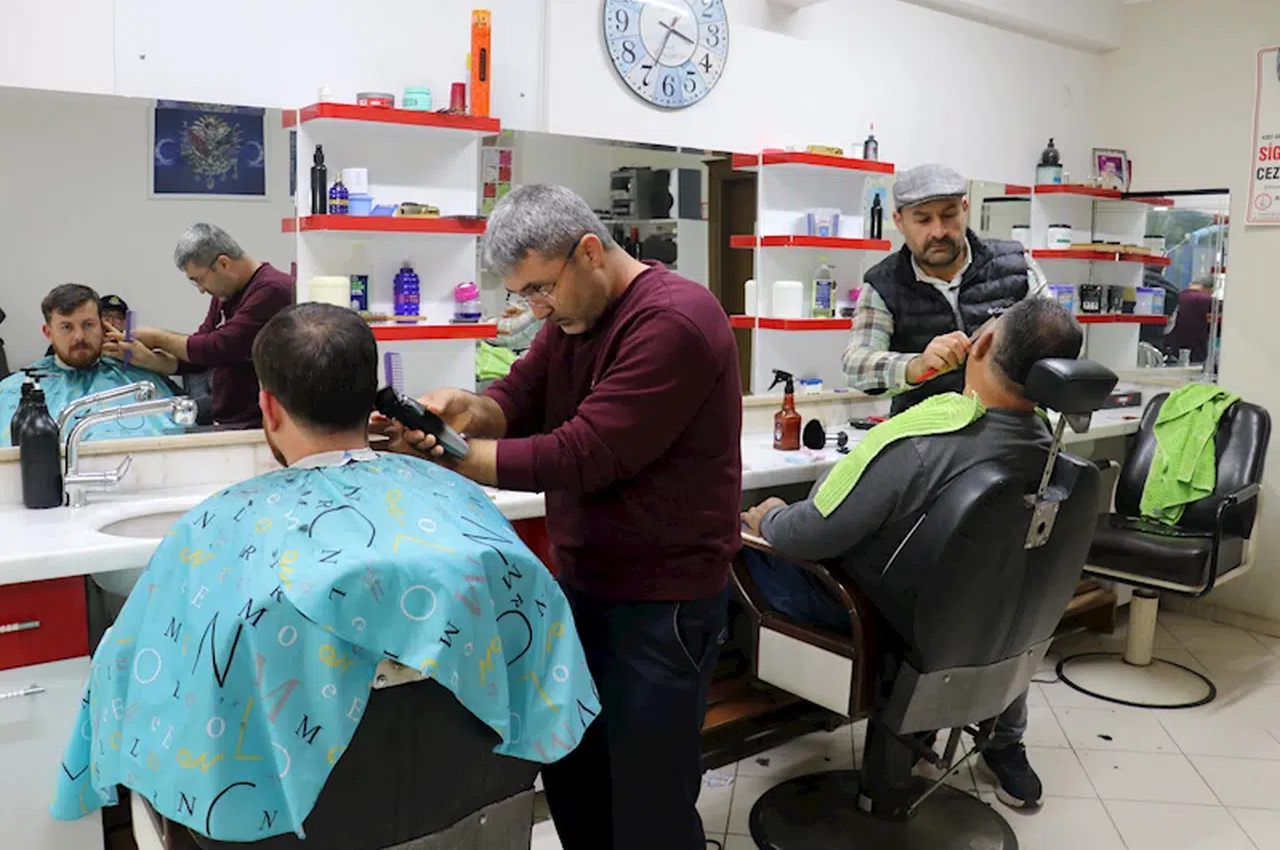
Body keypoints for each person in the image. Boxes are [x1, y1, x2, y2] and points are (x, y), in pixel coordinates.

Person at [51, 303, 596, 842]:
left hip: (284, 827)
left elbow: (134, 673)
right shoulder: (456, 499)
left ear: (268, 408)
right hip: (466, 800)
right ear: (372, 397)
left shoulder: (212, 528)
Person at [382, 184, 743, 850]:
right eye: (523, 296)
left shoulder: (675, 320)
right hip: (582, 587)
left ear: (589, 252)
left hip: (662, 604)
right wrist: (463, 411)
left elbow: (585, 453)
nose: (536, 309)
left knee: (649, 806)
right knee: (576, 779)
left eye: (541, 289)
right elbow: (516, 398)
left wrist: (457, 458)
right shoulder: (571, 319)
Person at [742, 297, 1084, 811]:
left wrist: (767, 518)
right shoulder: (1052, 454)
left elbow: (808, 536)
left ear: (983, 345)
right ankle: (999, 740)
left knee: (734, 551)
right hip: (985, 627)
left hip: (878, 623)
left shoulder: (925, 447)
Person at [843, 164, 1054, 415]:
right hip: (925, 432)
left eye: (949, 215)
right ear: (899, 221)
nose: (939, 231)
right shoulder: (883, 285)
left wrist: (1013, 348)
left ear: (965, 208)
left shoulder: (1017, 267)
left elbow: (1061, 339)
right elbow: (856, 365)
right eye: (923, 219)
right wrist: (916, 366)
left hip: (1012, 425)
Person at [105, 223, 292, 428]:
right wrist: (150, 359)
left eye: (199, 280)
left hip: (261, 424)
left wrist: (157, 338)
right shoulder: (225, 294)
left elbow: (218, 347)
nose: (201, 289)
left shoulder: (273, 290)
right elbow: (199, 354)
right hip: (231, 420)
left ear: (223, 263)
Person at [0, 284, 180, 443]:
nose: (79, 336)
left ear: (102, 327)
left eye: (88, 325)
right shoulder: (12, 388)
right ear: (48, 333)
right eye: (66, 327)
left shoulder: (138, 377)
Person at [1166, 274, 1216, 364]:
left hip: (1171, 350)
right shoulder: (1208, 301)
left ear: (1190, 284)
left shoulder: (1176, 296)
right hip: (1197, 353)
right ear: (1211, 290)